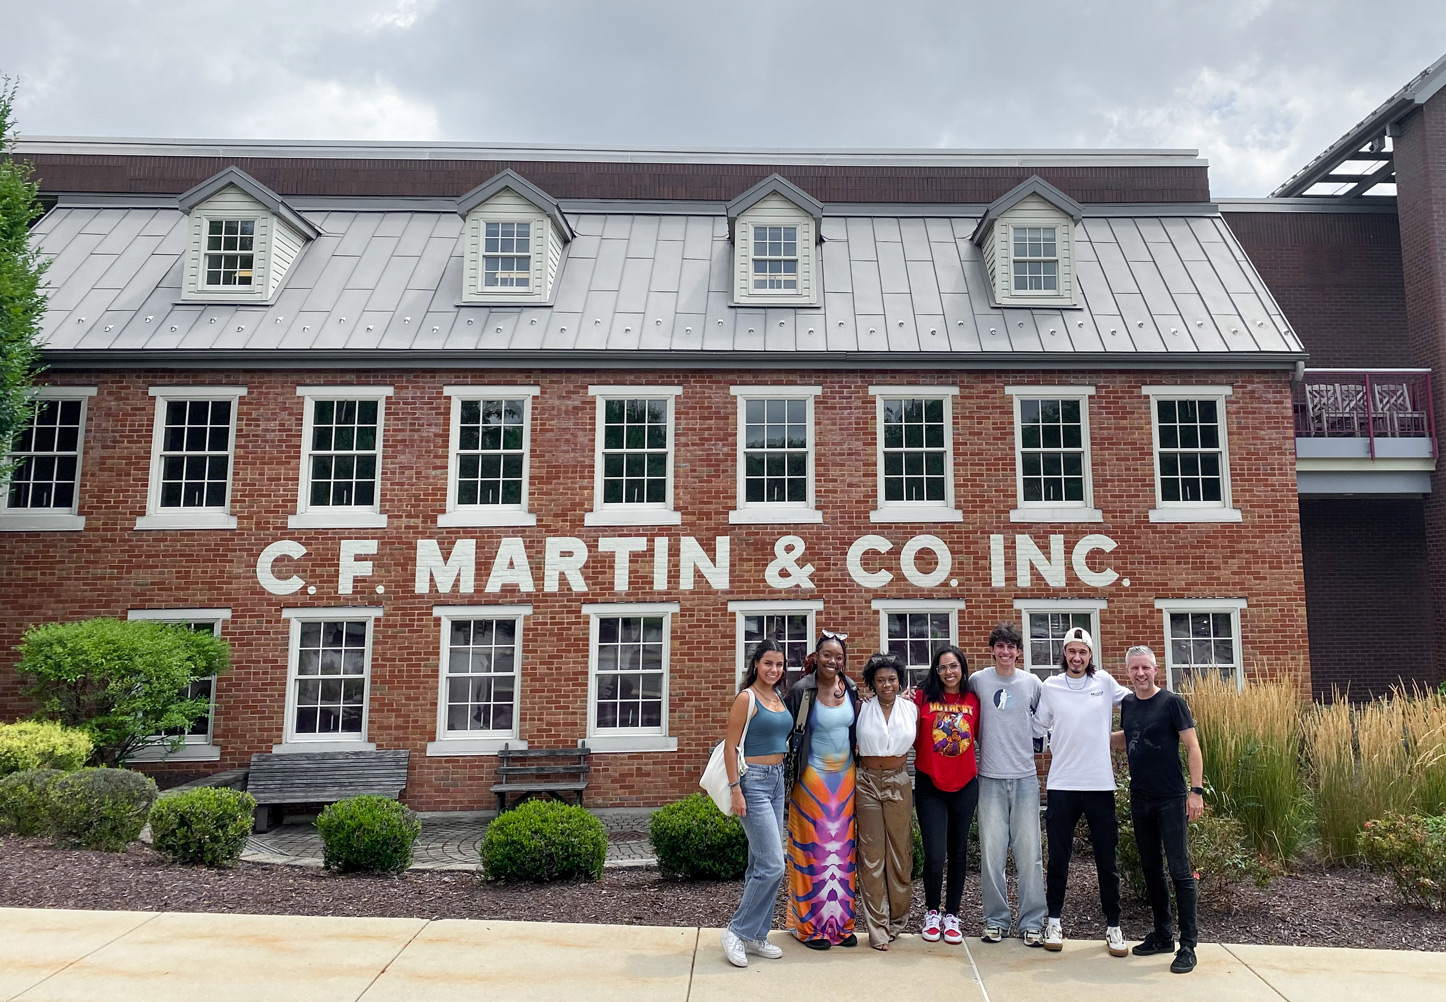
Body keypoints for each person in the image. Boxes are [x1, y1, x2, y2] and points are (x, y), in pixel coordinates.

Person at [1033, 627, 1130, 956]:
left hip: (1100, 785)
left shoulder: (1104, 683)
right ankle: (1054, 921)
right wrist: (1050, 742)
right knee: (1059, 859)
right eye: (1071, 652)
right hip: (1061, 785)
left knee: (1107, 860)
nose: (1077, 658)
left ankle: (1114, 926)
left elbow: (1137, 701)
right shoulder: (1051, 686)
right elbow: (1037, 726)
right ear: (1064, 654)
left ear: (1090, 655)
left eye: (1083, 652)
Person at [1113, 645, 1204, 975]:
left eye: (1146, 668)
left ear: (1155, 670)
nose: (1140, 673)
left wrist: (1195, 792)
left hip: (1170, 798)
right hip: (1140, 798)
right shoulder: (1128, 704)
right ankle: (1163, 935)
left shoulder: (1172, 703)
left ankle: (1188, 945)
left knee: (1179, 871)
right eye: (1135, 668)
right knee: (1152, 869)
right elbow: (1130, 736)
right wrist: (1086, 737)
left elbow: (1192, 746)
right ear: (1128, 672)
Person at [968, 622, 1048, 947]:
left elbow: (1045, 721)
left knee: (1030, 853)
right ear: (992, 650)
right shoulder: (977, 681)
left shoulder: (1032, 683)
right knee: (992, 854)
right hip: (989, 777)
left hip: (1026, 778)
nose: (1005, 652)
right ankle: (995, 921)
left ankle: (1032, 923)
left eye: (1010, 647)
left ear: (1018, 651)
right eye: (999, 647)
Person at [719, 639, 794, 968]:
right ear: (756, 665)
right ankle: (736, 931)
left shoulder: (777, 695)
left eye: (779, 665)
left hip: (777, 780)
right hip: (753, 783)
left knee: (760, 864)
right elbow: (730, 747)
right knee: (774, 864)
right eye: (768, 664)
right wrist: (736, 789)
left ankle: (756, 934)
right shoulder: (747, 698)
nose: (774, 670)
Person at [783, 632, 860, 948]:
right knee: (811, 853)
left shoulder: (851, 688)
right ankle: (808, 928)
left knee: (842, 855)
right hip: (811, 781)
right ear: (817, 657)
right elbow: (785, 731)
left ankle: (840, 925)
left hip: (845, 782)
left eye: (838, 656)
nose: (833, 661)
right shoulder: (802, 691)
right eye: (827, 655)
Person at [911, 644, 981, 946]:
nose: (948, 672)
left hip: (965, 784)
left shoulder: (973, 700)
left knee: (959, 852)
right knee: (935, 854)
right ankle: (932, 912)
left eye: (953, 666)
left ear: (962, 669)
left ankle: (952, 914)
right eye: (942, 667)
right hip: (930, 785)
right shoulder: (921, 698)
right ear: (935, 671)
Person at [854, 652, 918, 950]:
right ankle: (877, 928)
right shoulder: (861, 709)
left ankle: (897, 921)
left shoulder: (911, 708)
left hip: (899, 780)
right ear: (872, 683)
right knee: (871, 857)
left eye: (891, 679)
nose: (886, 685)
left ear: (899, 681)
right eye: (880, 680)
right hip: (866, 782)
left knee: (900, 855)